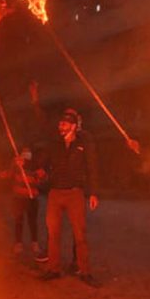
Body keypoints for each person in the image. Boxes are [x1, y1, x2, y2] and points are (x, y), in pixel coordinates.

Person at [40, 109, 101, 287]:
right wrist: (37, 168)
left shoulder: (83, 144)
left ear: (73, 126)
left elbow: (92, 168)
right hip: (55, 193)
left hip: (75, 193)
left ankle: (85, 271)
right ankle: (53, 269)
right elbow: (43, 162)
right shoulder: (54, 143)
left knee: (80, 234)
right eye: (60, 123)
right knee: (53, 233)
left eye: (65, 123)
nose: (61, 126)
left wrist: (93, 193)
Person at [0, 146, 46, 255]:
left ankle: (34, 243)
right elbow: (9, 174)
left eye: (28, 152)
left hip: (32, 198)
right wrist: (4, 174)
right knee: (18, 221)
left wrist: (40, 176)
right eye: (24, 152)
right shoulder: (16, 162)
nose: (26, 155)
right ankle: (18, 244)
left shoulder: (36, 164)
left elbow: (41, 180)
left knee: (32, 222)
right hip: (18, 197)